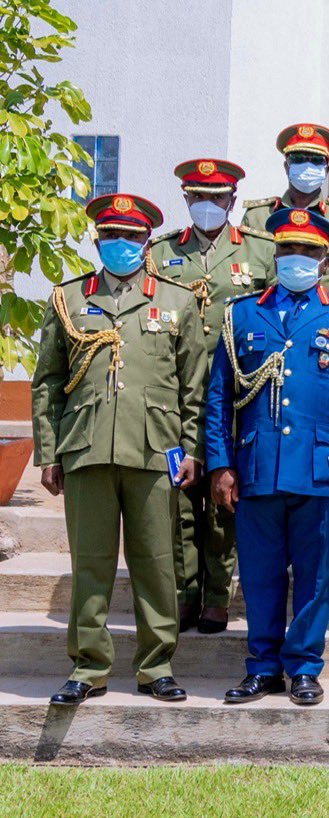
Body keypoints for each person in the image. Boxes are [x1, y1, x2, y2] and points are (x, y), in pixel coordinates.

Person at [35, 194, 206, 706]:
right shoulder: (68, 299)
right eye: (111, 236)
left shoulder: (175, 301)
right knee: (91, 562)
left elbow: (193, 385)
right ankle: (89, 667)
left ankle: (156, 666)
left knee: (157, 561)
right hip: (85, 447)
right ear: (97, 240)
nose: (120, 245)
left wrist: (192, 449)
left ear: (146, 241)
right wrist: (48, 452)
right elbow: (47, 381)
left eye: (131, 237)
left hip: (156, 450)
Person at [208, 208, 329, 707]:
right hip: (257, 466)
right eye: (287, 250)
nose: (296, 259)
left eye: (307, 252)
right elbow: (219, 397)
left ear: (325, 260)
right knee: (259, 574)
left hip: (323, 468)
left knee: (314, 573)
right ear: (274, 254)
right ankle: (262, 667)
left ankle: (304, 666)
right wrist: (220, 464)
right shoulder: (240, 314)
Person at [146, 157, 273, 637]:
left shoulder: (260, 253)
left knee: (224, 495)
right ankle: (184, 593)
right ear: (186, 200)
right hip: (173, 395)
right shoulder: (159, 254)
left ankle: (217, 596)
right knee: (178, 497)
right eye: (197, 197)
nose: (207, 205)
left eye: (216, 197)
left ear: (232, 201)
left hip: (235, 394)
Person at [242, 122, 329, 242]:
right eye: (298, 159)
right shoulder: (257, 217)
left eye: (316, 160)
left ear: (326, 170)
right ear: (286, 167)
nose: (307, 166)